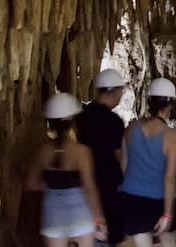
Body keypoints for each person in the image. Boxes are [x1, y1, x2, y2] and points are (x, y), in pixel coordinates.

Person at [26, 92, 107, 246]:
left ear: (50, 123)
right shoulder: (82, 151)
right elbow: (89, 188)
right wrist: (99, 218)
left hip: (53, 216)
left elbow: (31, 184)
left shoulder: (43, 151)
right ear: (73, 122)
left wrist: (49, 184)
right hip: (80, 214)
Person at [120, 78, 176, 247]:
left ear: (149, 101)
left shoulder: (131, 128)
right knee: (169, 243)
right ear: (169, 105)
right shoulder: (173, 136)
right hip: (158, 199)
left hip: (131, 197)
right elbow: (169, 178)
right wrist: (168, 214)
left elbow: (124, 166)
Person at [76, 68, 126, 246]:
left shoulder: (82, 117)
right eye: (121, 91)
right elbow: (119, 156)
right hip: (107, 182)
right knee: (108, 231)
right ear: (114, 91)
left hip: (83, 179)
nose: (121, 95)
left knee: (90, 231)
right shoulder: (114, 122)